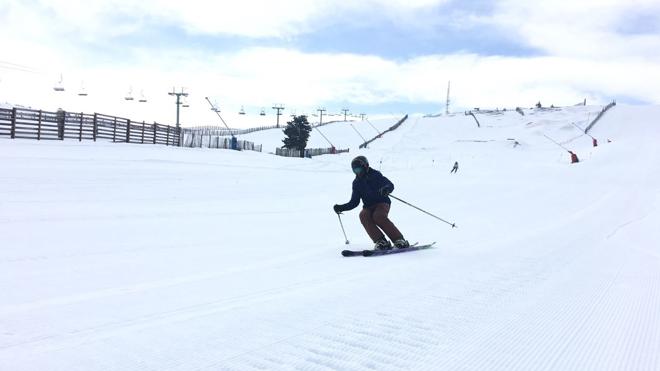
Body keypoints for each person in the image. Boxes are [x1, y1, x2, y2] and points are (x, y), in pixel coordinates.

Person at [333, 156, 409, 250]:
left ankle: (399, 240)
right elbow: (354, 202)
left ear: (366, 166)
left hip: (382, 202)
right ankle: (381, 241)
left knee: (378, 216)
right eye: (355, 170)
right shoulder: (356, 183)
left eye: (359, 169)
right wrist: (341, 207)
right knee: (363, 215)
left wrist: (386, 189)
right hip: (368, 206)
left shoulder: (375, 175)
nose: (358, 172)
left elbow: (390, 184)